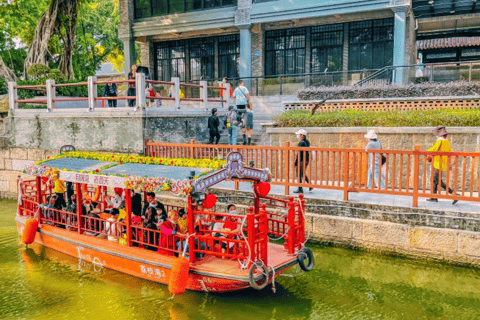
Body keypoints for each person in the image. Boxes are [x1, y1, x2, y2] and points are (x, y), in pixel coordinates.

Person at [427, 126, 458, 205]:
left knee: (438, 181)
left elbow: (432, 150)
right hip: (442, 164)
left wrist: (427, 154)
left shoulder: (440, 141)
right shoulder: (447, 142)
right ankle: (434, 197)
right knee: (435, 180)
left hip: (437, 163)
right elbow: (450, 151)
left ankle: (454, 194)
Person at [293, 129, 312, 194]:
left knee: (299, 173)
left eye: (299, 134)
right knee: (301, 173)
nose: (298, 135)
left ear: (302, 135)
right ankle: (309, 185)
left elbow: (299, 154)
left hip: (301, 160)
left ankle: (300, 188)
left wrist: (296, 162)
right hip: (306, 160)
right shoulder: (307, 141)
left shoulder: (301, 143)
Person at [233, 80, 250, 145]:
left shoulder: (236, 89)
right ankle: (243, 120)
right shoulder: (244, 88)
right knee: (244, 111)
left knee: (239, 111)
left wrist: (238, 97)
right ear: (241, 83)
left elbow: (233, 95)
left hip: (238, 103)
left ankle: (239, 120)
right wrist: (248, 100)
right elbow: (247, 95)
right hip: (243, 102)